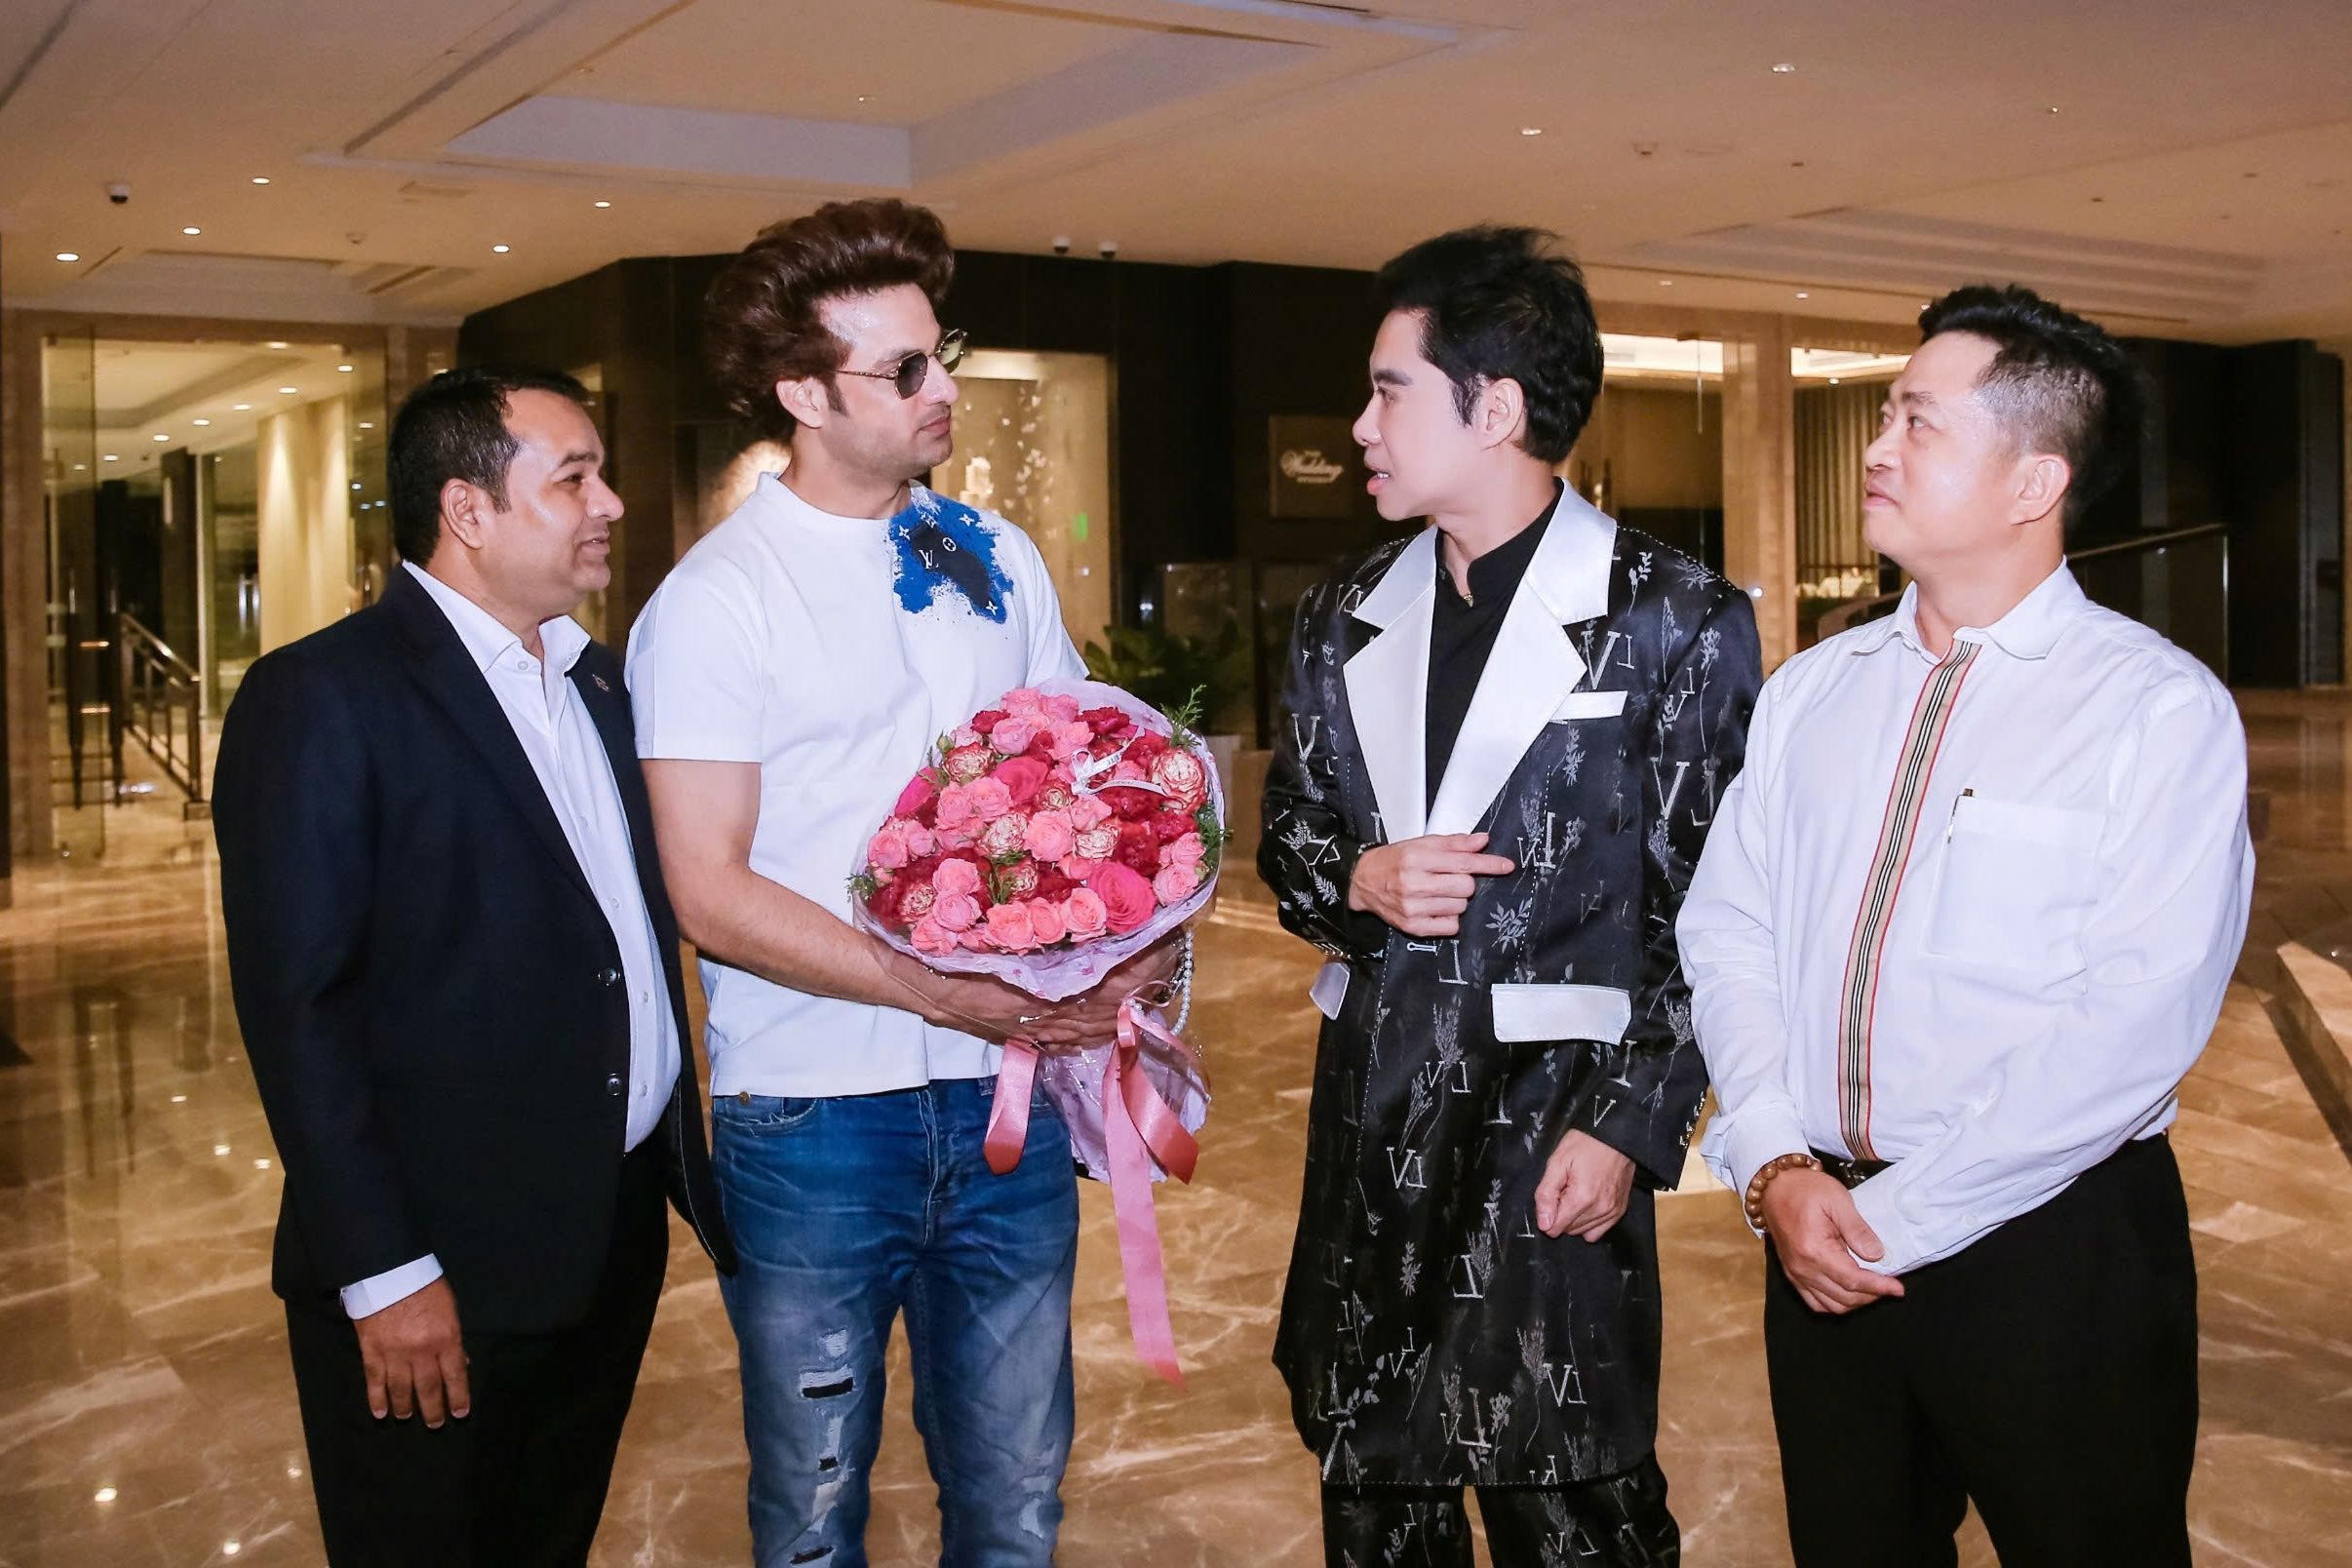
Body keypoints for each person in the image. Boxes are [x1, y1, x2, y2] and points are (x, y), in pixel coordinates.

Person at [628, 197, 1172, 1568]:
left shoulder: (997, 553)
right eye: (906, 369)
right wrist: (942, 990)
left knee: (1018, 1495)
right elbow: (706, 889)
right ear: (802, 392)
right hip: (814, 1111)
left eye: (946, 354)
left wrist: (1132, 945)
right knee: (814, 1511)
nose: (945, 388)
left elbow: (1089, 786)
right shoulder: (717, 598)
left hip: (1006, 1100)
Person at [1679, 284, 2253, 1567]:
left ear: (2033, 481)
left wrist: (1899, 1218)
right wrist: (1773, 1163)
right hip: (1817, 1229)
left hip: (2054, 1248)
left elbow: (2133, 1026)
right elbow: (1731, 931)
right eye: (1887, 415)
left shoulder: (2154, 712)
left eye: (1919, 423)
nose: (1878, 449)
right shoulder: (1811, 693)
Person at [1259, 225, 1761, 1568]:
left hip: (1550, 1145)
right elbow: (1289, 839)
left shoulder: (1672, 618)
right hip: (1374, 1135)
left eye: (1389, 391)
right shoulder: (1342, 611)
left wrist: (1632, 1124)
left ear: (1494, 409)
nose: (1361, 427)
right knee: (1378, 1505)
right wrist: (1356, 878)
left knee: (1576, 1510)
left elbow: (1717, 912)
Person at [213, 366, 734, 1566]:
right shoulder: (322, 696)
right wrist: (385, 1273)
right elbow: (300, 1012)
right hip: (439, 1265)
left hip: (601, 1242)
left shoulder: (599, 682)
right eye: (574, 478)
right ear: (467, 510)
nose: (610, 502)